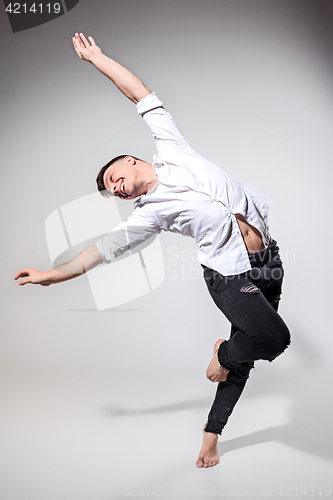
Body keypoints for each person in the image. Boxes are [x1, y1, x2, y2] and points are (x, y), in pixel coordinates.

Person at [14, 33, 291, 468]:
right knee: (273, 339)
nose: (117, 189)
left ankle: (211, 433)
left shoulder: (172, 149)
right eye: (112, 192)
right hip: (228, 276)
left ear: (129, 160)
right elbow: (100, 252)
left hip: (267, 261)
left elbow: (139, 94)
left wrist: (98, 59)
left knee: (247, 353)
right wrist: (52, 275)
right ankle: (223, 354)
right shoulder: (149, 216)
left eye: (114, 180)